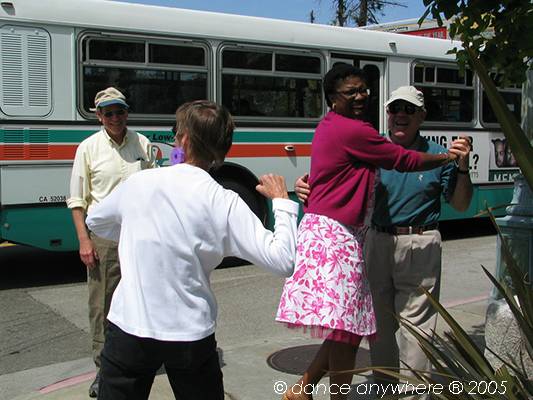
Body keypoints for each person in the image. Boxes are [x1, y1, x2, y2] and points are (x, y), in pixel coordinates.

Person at [85, 100, 299, 400]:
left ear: (183, 140)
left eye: (177, 132)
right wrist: (282, 202)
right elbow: (284, 260)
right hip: (190, 334)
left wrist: (140, 233)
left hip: (130, 328)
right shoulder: (224, 201)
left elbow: (95, 220)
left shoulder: (140, 182)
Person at [276, 65, 466, 400]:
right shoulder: (355, 131)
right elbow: (401, 160)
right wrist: (446, 158)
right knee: (351, 329)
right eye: (351, 92)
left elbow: (334, 173)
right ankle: (332, 392)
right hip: (338, 237)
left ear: (422, 116)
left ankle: (304, 389)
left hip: (346, 235)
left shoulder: (338, 127)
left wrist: (310, 185)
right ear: (333, 99)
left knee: (349, 326)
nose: (361, 96)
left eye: (364, 89)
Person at [66, 87, 157, 397]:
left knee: (140, 296)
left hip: (138, 234)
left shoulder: (142, 144)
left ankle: (138, 356)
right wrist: (84, 241)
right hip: (104, 239)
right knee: (102, 303)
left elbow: (152, 186)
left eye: (120, 111)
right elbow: (77, 201)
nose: (115, 118)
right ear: (98, 116)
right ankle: (102, 368)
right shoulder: (87, 149)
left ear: (127, 112)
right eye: (108, 113)